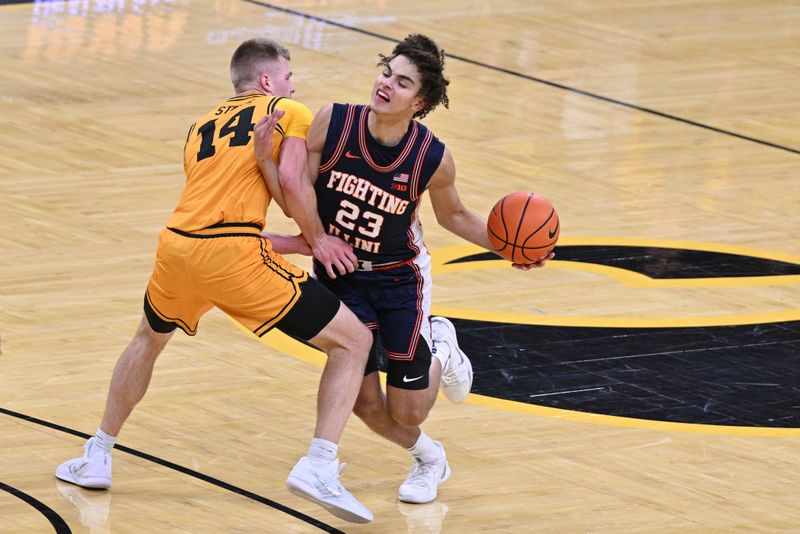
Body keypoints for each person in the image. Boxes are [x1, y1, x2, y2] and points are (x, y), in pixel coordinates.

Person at [54, 37, 375, 524]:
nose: (293, 84)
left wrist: (293, 241)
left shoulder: (198, 128)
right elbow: (292, 185)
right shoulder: (287, 109)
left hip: (178, 248)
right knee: (353, 342)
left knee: (147, 339)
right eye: (288, 75)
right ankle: (320, 465)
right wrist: (318, 238)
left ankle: (97, 453)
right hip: (232, 258)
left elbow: (217, 215)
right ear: (268, 81)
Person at [262, 33, 552, 505]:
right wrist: (278, 184)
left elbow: (453, 216)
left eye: (401, 82)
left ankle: (439, 342)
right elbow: (300, 194)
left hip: (399, 279)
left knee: (408, 410)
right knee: (363, 402)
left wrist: (512, 250)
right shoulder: (333, 123)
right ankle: (430, 458)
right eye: (385, 73)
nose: (386, 85)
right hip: (341, 274)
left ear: (419, 101)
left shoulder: (431, 157)